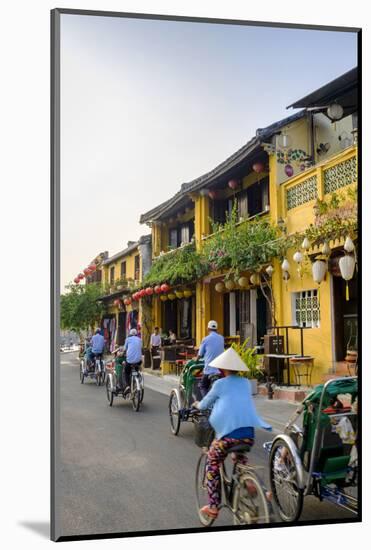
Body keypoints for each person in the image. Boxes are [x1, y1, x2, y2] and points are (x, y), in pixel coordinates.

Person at [192, 347, 272, 520]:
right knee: (239, 458)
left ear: (222, 369)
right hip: (248, 434)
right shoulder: (245, 383)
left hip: (227, 435)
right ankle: (255, 486)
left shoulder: (219, 384)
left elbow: (205, 404)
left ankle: (213, 506)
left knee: (213, 463)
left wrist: (196, 405)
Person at [197, 320, 224, 397]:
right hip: (220, 370)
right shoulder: (221, 338)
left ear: (208, 329)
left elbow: (200, 354)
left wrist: (196, 360)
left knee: (203, 386)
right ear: (217, 329)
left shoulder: (205, 339)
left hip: (209, 370)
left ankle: (206, 403)